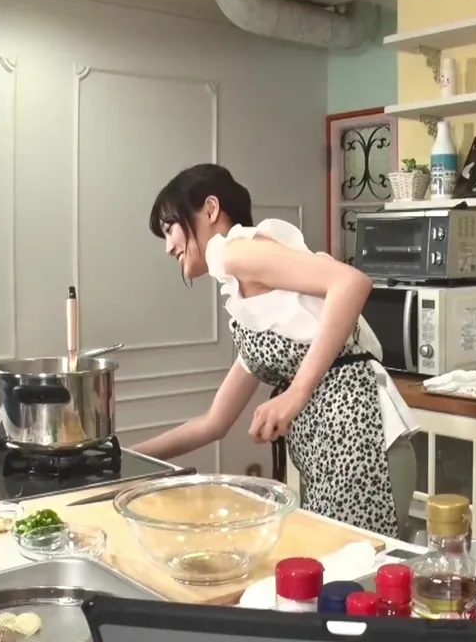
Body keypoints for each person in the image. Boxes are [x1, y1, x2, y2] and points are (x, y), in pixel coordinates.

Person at [131, 163, 419, 539]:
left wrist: (296, 394)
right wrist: (126, 457)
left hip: (363, 448)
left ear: (210, 209)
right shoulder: (260, 309)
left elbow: (351, 282)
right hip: (333, 457)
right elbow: (214, 422)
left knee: (353, 573)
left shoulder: (232, 251)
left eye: (170, 227)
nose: (168, 246)